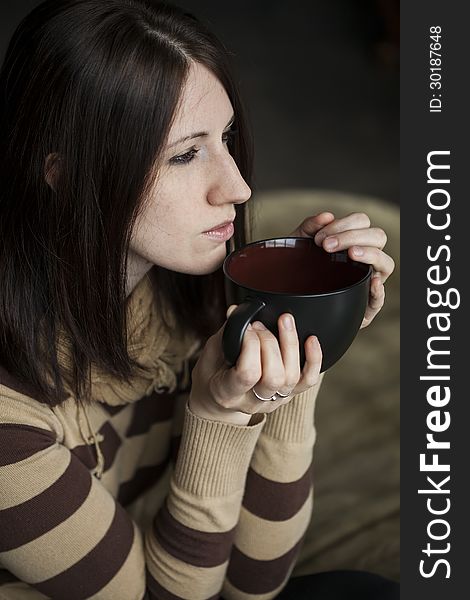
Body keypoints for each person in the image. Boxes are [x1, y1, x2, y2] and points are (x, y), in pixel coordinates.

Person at [0, 1, 397, 598]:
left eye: (227, 137)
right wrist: (215, 420)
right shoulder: (11, 423)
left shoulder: (191, 279)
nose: (238, 187)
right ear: (65, 172)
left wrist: (310, 331)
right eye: (186, 154)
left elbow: (254, 585)